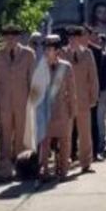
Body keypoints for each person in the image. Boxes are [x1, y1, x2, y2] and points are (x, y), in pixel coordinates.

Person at [0, 24, 36, 163]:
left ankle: (21, 163)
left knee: (22, 132)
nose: (10, 39)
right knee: (5, 132)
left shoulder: (28, 54)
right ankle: (6, 163)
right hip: (4, 100)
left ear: (19, 37)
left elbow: (32, 78)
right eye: (7, 36)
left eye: (13, 36)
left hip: (23, 99)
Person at [37, 35, 77, 181]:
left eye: (51, 49)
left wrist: (73, 109)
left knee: (65, 140)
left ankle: (64, 168)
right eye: (46, 49)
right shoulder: (40, 67)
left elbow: (72, 90)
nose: (47, 52)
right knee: (45, 141)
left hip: (62, 109)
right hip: (46, 110)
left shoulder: (66, 66)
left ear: (58, 51)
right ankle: (45, 168)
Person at [64, 25, 99, 173]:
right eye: (70, 38)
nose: (73, 40)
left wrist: (94, 96)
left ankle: (86, 162)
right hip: (66, 100)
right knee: (66, 133)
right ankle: (64, 161)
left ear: (80, 38)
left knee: (85, 133)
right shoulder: (62, 54)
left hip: (83, 98)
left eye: (75, 38)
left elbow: (93, 77)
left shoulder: (88, 54)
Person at [88, 29, 106, 160]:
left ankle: (100, 145)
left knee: (99, 119)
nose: (96, 38)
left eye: (97, 35)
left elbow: (104, 72)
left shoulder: (100, 53)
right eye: (94, 35)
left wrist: (102, 89)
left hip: (101, 90)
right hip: (86, 91)